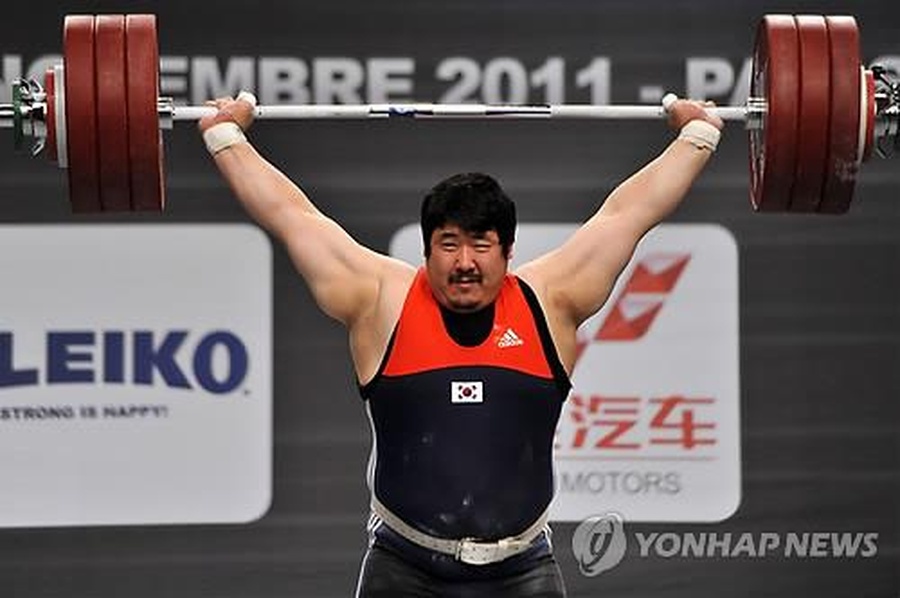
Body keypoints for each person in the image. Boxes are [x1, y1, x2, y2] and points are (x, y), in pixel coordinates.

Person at [199, 93, 724, 597]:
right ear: (427, 250)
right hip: (404, 567)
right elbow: (294, 218)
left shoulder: (553, 299)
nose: (465, 261)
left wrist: (696, 134)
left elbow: (628, 215)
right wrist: (226, 136)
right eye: (448, 244)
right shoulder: (381, 299)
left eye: (481, 244)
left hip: (522, 569)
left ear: (508, 251)